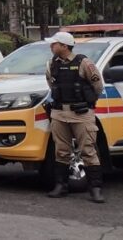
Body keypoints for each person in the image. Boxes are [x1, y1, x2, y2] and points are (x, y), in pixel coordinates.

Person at [45, 31, 105, 203]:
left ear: (64, 46)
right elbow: (51, 84)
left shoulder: (84, 63)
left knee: (88, 150)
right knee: (61, 151)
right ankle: (61, 185)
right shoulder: (51, 64)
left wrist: (86, 102)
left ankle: (95, 188)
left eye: (54, 43)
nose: (51, 46)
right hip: (59, 113)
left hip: (81, 114)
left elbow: (97, 86)